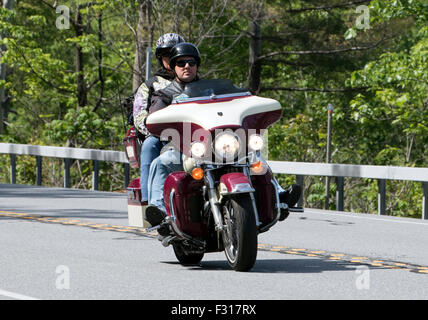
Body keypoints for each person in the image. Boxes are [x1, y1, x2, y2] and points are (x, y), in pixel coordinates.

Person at [144, 42, 301, 228]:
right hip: (185, 147)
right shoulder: (164, 94)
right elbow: (154, 118)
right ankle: (159, 211)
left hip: (218, 144)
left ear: (197, 65)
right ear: (173, 67)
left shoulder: (211, 90)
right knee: (161, 163)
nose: (187, 66)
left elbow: (234, 103)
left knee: (254, 155)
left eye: (191, 62)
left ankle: (280, 196)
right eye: (181, 63)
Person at [132, 33, 185, 204]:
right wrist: (156, 131)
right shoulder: (151, 84)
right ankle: (150, 203)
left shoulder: (193, 81)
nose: (171, 58)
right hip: (159, 135)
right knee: (149, 145)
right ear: (160, 58)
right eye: (167, 55)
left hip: (191, 133)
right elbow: (139, 115)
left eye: (175, 54)